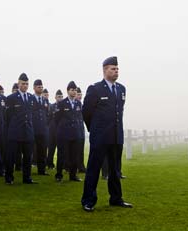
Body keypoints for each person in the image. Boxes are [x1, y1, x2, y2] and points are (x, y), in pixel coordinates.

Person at [81, 56, 132, 211]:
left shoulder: (121, 89)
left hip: (116, 137)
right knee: (94, 168)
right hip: (100, 137)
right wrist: (95, 130)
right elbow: (86, 112)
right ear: (105, 70)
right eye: (113, 69)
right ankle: (88, 201)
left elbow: (118, 113)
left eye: (117, 69)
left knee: (115, 170)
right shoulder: (95, 89)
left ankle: (116, 198)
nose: (116, 71)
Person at [4, 73, 36, 184]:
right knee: (11, 157)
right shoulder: (11, 98)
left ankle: (27, 178)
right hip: (15, 131)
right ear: (18, 84)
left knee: (28, 157)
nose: (25, 86)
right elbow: (7, 116)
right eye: (23, 83)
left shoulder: (31, 98)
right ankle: (9, 178)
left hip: (28, 132)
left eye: (27, 84)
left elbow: (33, 114)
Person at [54, 81, 83, 182]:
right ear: (68, 91)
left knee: (74, 156)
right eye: (72, 90)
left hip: (75, 134)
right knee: (61, 155)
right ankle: (59, 175)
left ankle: (73, 175)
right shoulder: (62, 103)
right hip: (64, 134)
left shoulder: (78, 103)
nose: (74, 92)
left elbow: (80, 117)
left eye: (75, 90)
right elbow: (57, 119)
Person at [32, 79, 49, 175]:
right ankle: (27, 169)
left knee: (42, 150)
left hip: (43, 129)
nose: (41, 88)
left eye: (42, 87)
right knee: (30, 150)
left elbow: (47, 114)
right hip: (33, 128)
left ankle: (41, 170)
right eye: (39, 87)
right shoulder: (31, 98)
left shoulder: (45, 100)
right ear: (34, 88)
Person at [46, 89, 63, 169]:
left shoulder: (64, 106)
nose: (60, 98)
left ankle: (61, 165)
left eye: (61, 97)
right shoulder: (51, 106)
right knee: (51, 149)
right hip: (52, 131)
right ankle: (49, 164)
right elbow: (48, 118)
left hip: (60, 131)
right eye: (59, 96)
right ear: (55, 97)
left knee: (61, 150)